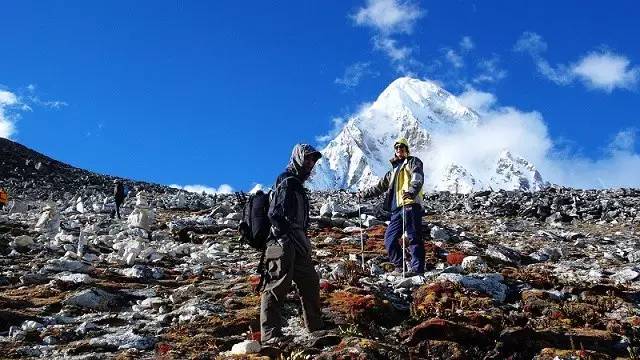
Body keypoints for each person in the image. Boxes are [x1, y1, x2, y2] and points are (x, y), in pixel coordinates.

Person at [260, 143, 324, 344]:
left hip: (298, 243)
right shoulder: (286, 180)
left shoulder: (297, 184)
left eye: (313, 160)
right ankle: (270, 336)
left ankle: (315, 328)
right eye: (307, 158)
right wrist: (286, 236)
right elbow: (275, 214)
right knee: (276, 285)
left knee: (310, 283)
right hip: (282, 242)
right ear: (297, 158)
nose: (310, 163)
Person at [359, 137, 425, 275]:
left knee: (414, 237)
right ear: (395, 151)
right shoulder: (392, 172)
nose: (399, 150)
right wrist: (363, 194)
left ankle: (417, 270)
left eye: (402, 148)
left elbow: (417, 177)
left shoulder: (413, 162)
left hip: (410, 204)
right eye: (397, 148)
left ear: (407, 150)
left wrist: (412, 191)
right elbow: (379, 187)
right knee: (389, 238)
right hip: (396, 209)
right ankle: (400, 266)